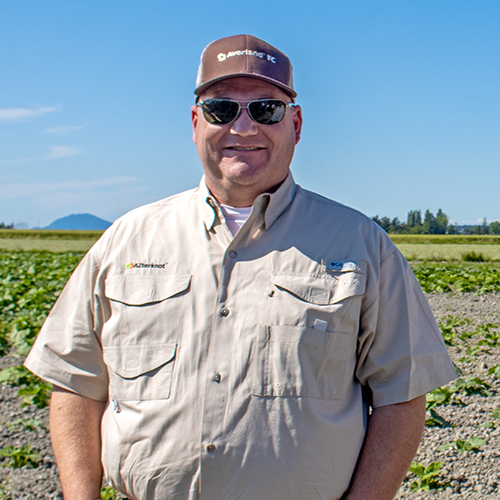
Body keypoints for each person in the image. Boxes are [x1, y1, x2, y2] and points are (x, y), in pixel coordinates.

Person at [25, 34, 457, 500]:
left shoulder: (360, 243)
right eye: (222, 110)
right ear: (195, 123)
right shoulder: (127, 239)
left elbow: (403, 393)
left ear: (296, 124)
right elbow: (74, 384)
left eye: (266, 110)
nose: (244, 128)